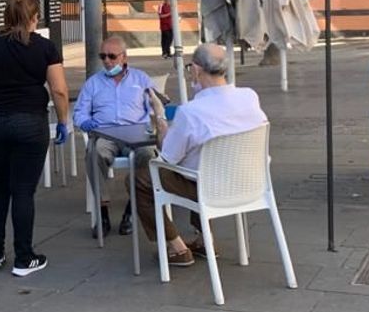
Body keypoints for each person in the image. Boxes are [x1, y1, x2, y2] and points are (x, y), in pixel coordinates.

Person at [0, 0, 70, 277]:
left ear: (6, 16)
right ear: (34, 17)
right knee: (23, 190)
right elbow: (59, 90)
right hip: (29, 123)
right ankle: (24, 257)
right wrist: (64, 121)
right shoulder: (46, 47)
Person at [134, 43, 267, 267]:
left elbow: (167, 157)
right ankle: (205, 240)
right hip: (251, 183)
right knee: (199, 163)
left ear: (195, 70)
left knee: (142, 178)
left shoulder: (191, 112)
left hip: (209, 188)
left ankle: (177, 247)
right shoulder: (249, 97)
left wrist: (159, 115)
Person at [74, 36, 156, 237]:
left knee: (148, 155)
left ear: (124, 57)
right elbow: (79, 112)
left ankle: (131, 210)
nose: (107, 61)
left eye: (112, 56)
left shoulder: (141, 79)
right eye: (103, 56)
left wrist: (154, 120)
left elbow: (155, 107)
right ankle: (102, 212)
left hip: (136, 134)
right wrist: (84, 122)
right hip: (106, 134)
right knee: (95, 153)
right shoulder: (93, 83)